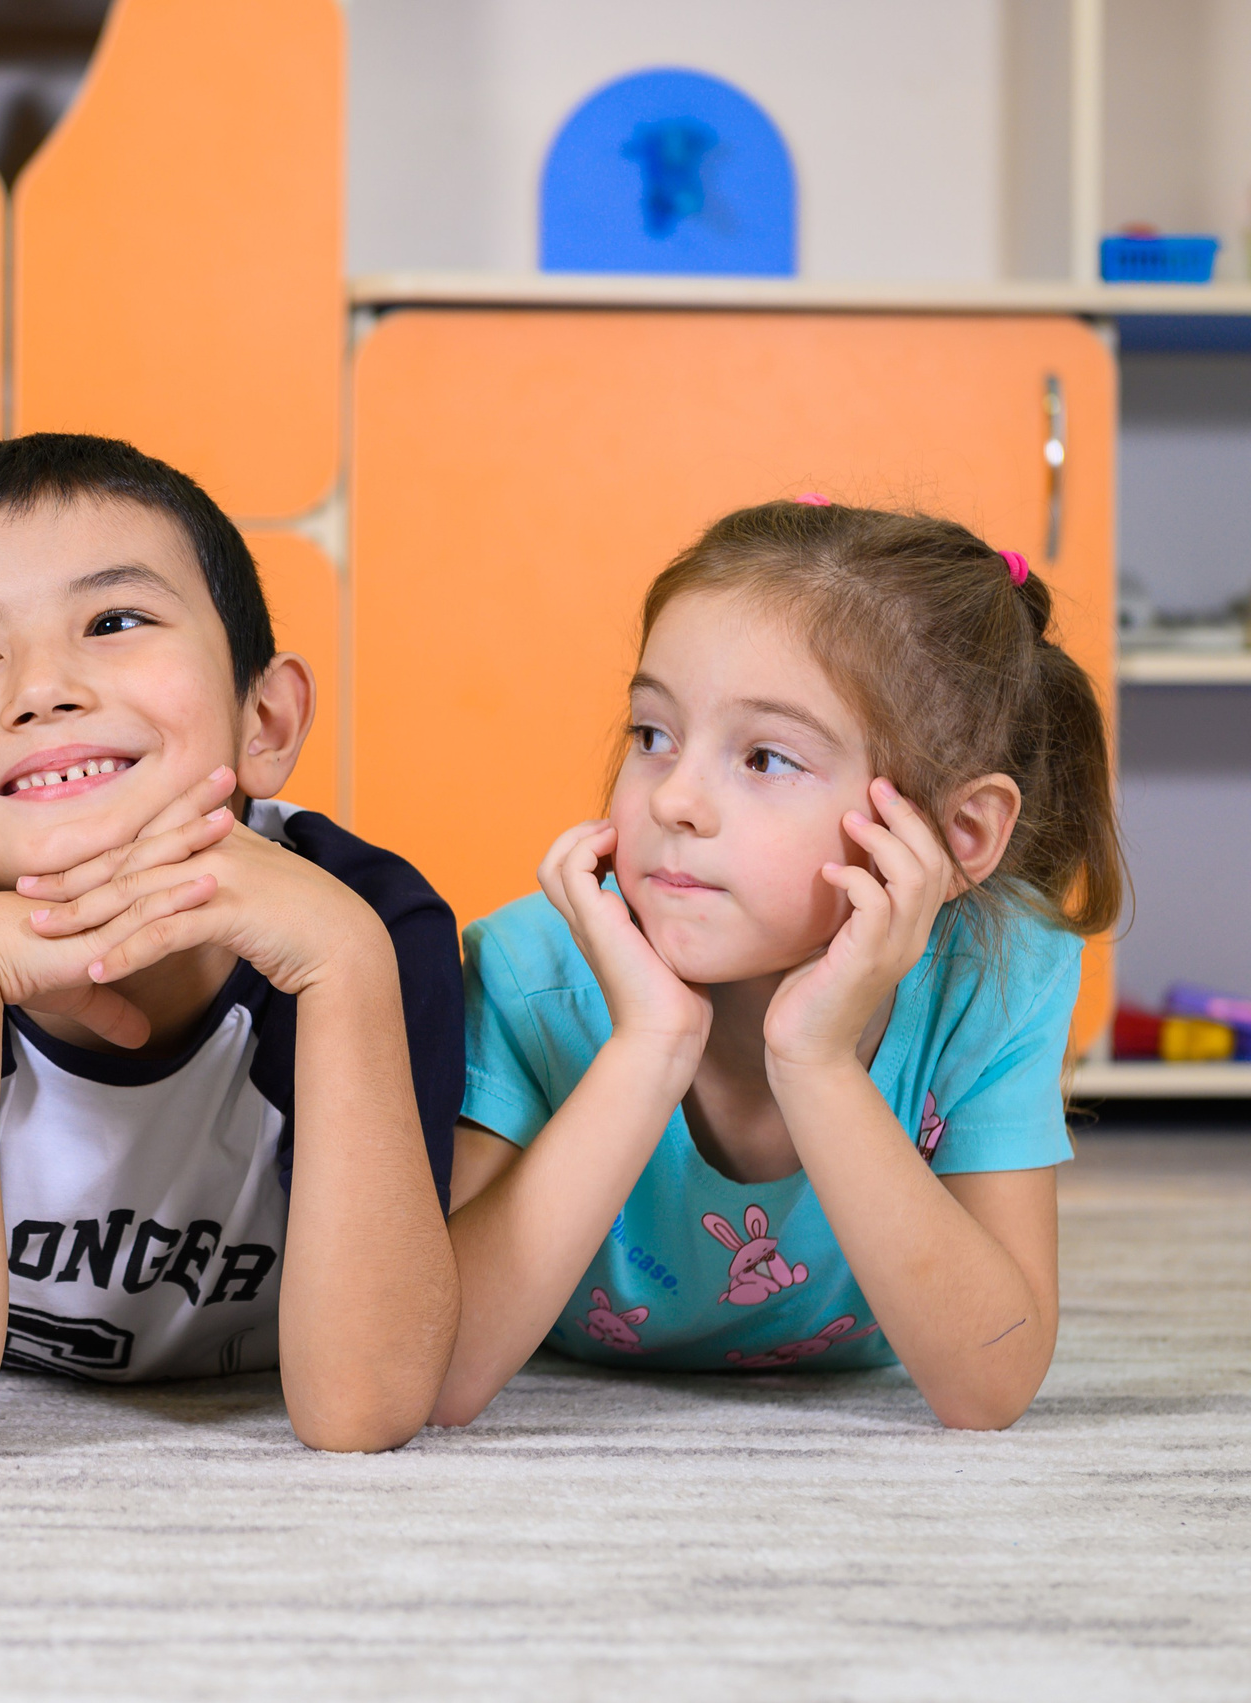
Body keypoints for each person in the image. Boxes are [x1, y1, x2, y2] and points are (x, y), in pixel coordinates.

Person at [0, 434, 462, 1461]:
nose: (42, 688)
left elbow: (364, 1406)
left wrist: (346, 966)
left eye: (115, 620)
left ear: (263, 718)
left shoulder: (369, 925)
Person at [435, 498, 1124, 1431]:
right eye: (652, 735)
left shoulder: (999, 976)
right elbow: (432, 1369)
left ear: (959, 836)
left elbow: (989, 1384)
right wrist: (649, 1045)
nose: (675, 797)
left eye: (764, 756)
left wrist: (816, 1059)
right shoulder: (531, 974)